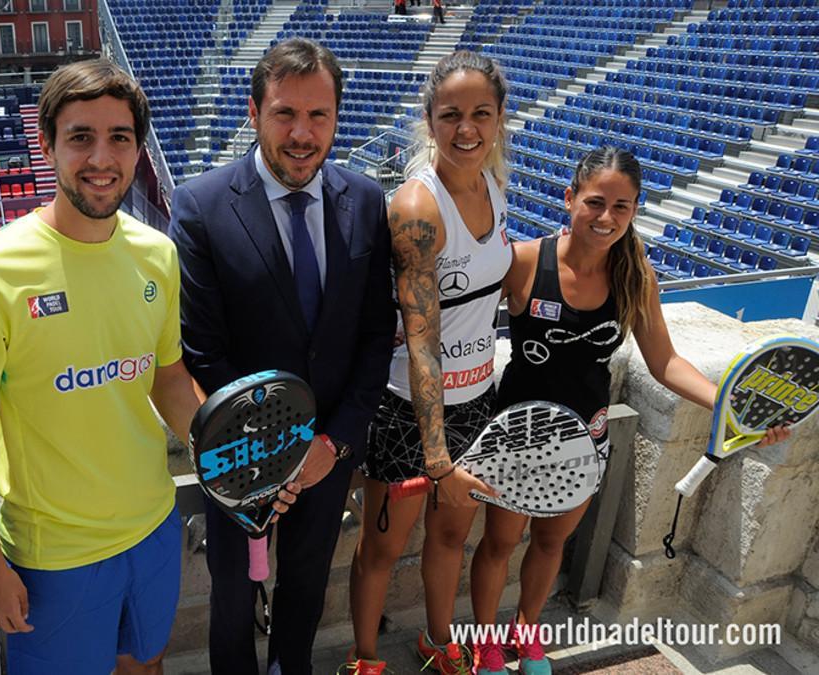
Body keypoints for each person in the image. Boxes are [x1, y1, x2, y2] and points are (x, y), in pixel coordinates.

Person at [0, 59, 296, 675]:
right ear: (48, 143)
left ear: (137, 151)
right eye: (81, 137)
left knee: (146, 665)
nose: (101, 158)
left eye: (120, 138)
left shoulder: (157, 253)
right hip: (56, 551)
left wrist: (233, 463)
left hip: (154, 527)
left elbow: (165, 378)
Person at [467, 147, 790, 675]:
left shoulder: (635, 276)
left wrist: (729, 406)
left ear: (636, 209)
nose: (607, 217)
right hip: (517, 432)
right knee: (500, 543)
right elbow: (464, 326)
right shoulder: (524, 260)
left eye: (622, 206)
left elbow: (664, 362)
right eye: (595, 202)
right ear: (569, 198)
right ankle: (485, 645)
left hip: (585, 438)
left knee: (551, 542)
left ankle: (526, 637)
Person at [169, 37, 395, 674]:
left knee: (305, 592)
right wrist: (274, 451)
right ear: (253, 112)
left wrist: (333, 444)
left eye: (318, 115)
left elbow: (376, 335)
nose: (302, 133)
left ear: (337, 117)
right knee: (234, 606)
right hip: (241, 457)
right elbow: (203, 350)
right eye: (285, 114)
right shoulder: (202, 205)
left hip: (326, 457)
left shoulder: (366, 200)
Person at [347, 51, 511, 675]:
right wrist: (436, 455)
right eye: (451, 116)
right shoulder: (418, 206)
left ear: (498, 119)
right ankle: (366, 659)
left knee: (450, 537)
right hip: (410, 410)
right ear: (429, 120)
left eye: (480, 114)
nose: (466, 129)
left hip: (476, 397)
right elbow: (421, 340)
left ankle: (439, 641)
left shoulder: (493, 186)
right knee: (382, 548)